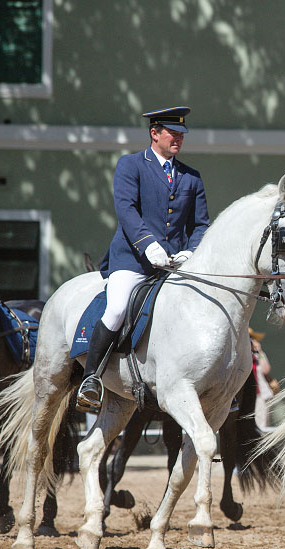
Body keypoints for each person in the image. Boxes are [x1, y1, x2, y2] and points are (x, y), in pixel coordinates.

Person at [76, 106, 210, 411]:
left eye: (181, 134)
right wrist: (148, 244)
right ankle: (91, 378)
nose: (178, 139)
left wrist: (190, 250)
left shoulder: (192, 177)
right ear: (154, 133)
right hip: (133, 260)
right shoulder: (131, 165)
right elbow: (126, 210)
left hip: (174, 265)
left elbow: (201, 224)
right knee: (118, 308)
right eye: (173, 133)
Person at [249, 328, 276, 430]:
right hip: (246, 396)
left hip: (260, 396)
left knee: (262, 426)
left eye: (251, 338)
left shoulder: (258, 356)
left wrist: (259, 351)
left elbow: (266, 370)